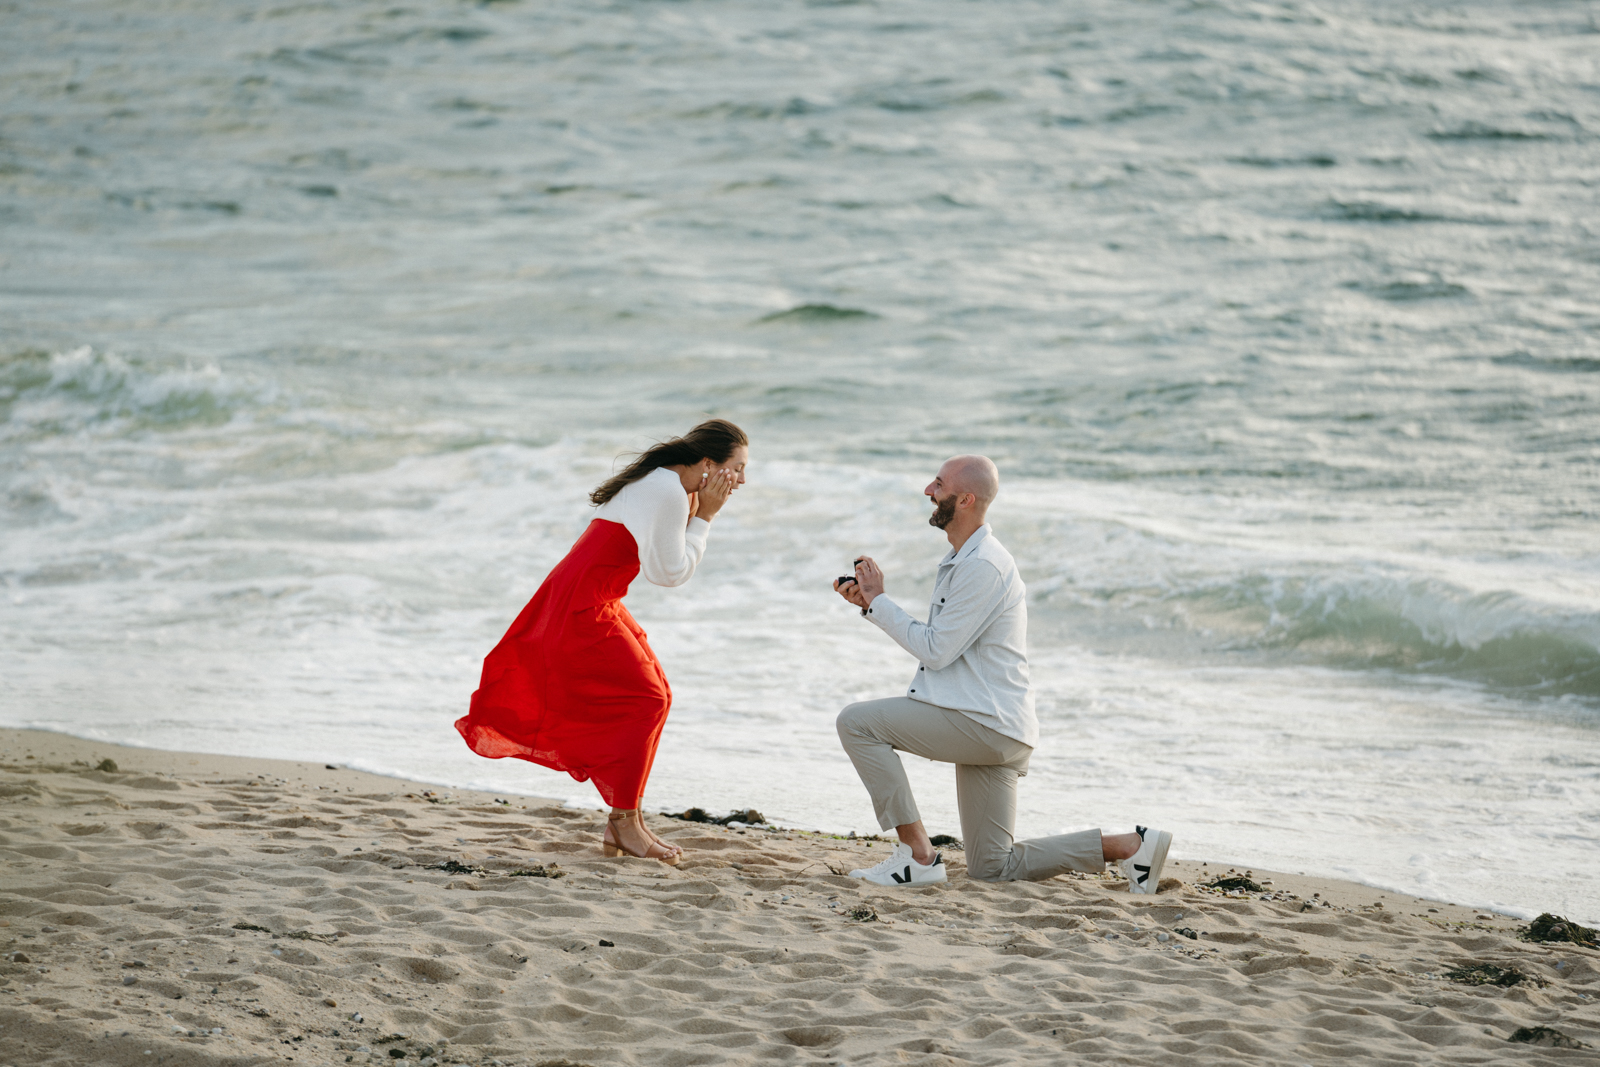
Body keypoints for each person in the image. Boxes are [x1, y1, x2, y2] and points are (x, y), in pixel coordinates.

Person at [832, 455, 1171, 890]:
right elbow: (946, 645)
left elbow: (935, 651)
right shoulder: (967, 558)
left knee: (857, 723)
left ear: (966, 499)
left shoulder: (983, 566)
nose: (927, 491)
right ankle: (1130, 846)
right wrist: (872, 604)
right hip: (995, 725)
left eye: (938, 484)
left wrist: (879, 601)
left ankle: (918, 856)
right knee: (993, 867)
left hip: (984, 723)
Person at [457, 419, 749, 865]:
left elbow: (657, 563)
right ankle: (624, 823)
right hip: (583, 604)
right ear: (708, 463)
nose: (743, 480)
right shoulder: (668, 490)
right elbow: (667, 574)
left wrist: (697, 510)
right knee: (648, 699)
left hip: (590, 595)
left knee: (659, 696)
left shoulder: (669, 484)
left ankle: (627, 820)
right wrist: (706, 517)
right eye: (738, 468)